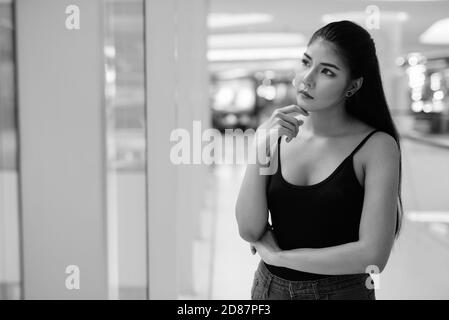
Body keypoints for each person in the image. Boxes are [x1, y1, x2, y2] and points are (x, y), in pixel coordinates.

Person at [235, 20, 403, 300]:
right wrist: (260, 144)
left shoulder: (376, 147)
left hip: (341, 293)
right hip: (269, 289)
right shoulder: (277, 136)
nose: (307, 78)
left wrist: (281, 257)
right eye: (306, 62)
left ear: (353, 85)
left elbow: (373, 256)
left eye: (327, 71)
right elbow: (250, 228)